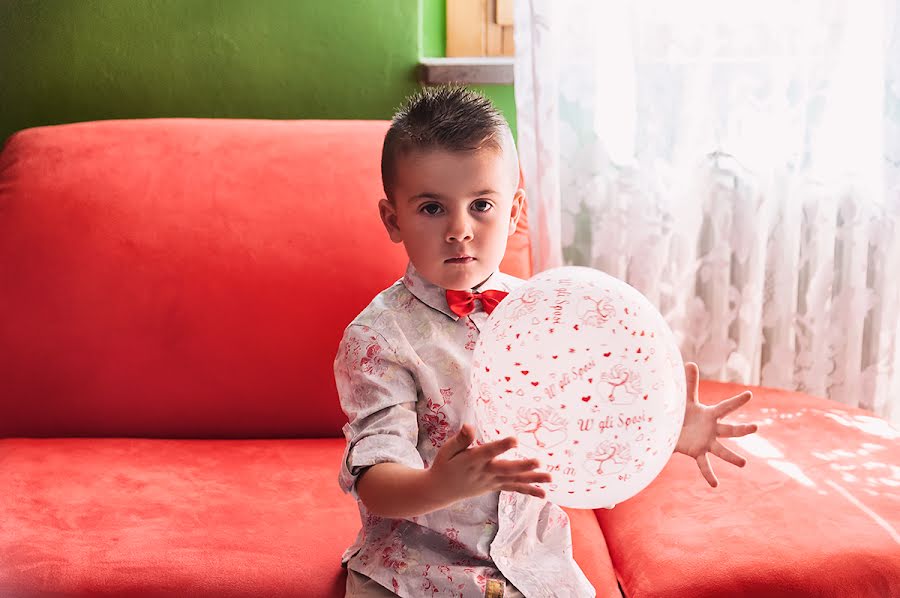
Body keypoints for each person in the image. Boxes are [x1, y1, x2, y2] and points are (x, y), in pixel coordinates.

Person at [335, 86, 758, 598]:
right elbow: (374, 477)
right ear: (392, 219)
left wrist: (662, 430)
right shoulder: (378, 337)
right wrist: (439, 485)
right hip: (413, 574)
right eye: (431, 208)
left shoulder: (551, 313)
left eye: (482, 204)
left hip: (533, 570)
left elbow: (583, 416)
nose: (460, 230)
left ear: (513, 212)